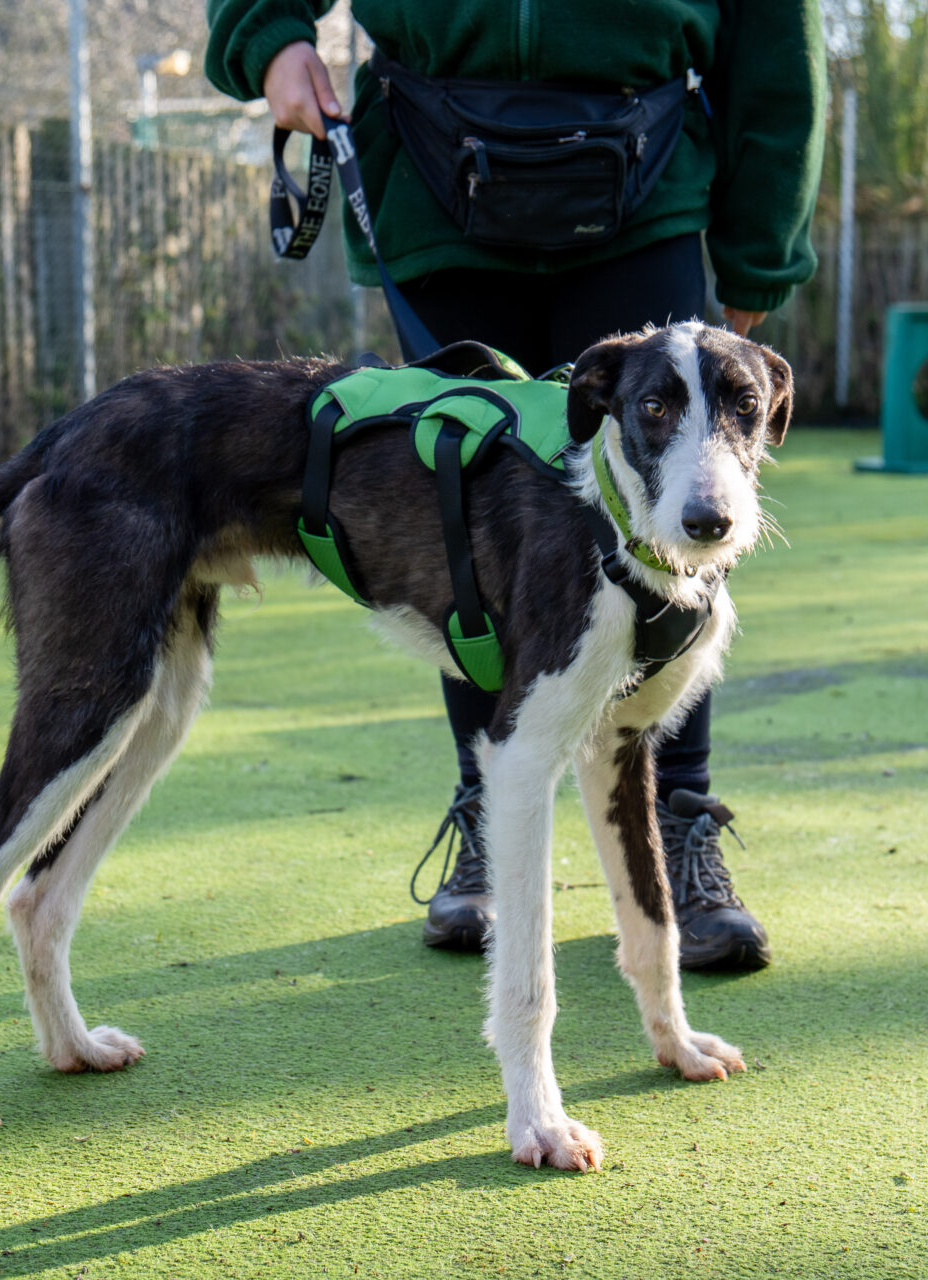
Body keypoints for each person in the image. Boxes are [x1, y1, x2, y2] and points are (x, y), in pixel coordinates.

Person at [206, 0, 824, 971]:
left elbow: (769, 31)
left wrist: (758, 243)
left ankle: (680, 817)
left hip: (644, 171)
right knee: (460, 522)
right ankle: (486, 798)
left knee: (671, 526)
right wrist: (270, 34)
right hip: (433, 167)